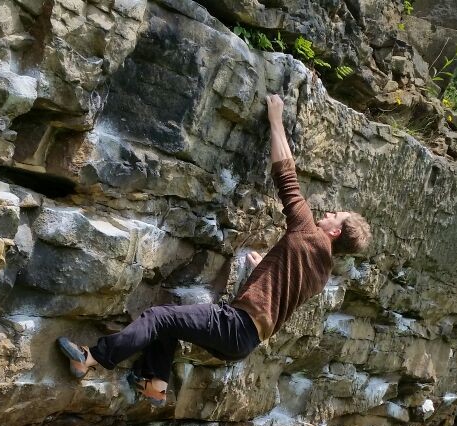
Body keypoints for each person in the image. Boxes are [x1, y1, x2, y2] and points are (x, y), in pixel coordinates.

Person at [57, 94, 372, 404]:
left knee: (158, 317)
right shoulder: (321, 274)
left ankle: (91, 357)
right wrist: (263, 268)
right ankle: (156, 384)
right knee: (173, 320)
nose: (329, 213)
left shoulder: (308, 232)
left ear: (334, 232)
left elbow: (286, 175)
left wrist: (276, 120)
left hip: (235, 324)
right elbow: (284, 287)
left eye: (335, 215)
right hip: (244, 342)